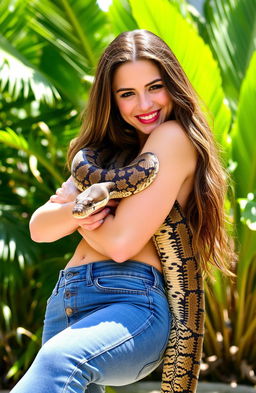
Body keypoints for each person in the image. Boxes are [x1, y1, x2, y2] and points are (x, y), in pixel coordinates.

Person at [10, 29, 234, 393]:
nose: (144, 104)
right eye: (127, 94)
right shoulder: (105, 159)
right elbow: (38, 228)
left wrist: (75, 206)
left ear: (173, 85)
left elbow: (119, 245)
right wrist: (84, 206)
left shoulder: (172, 138)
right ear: (112, 100)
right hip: (66, 302)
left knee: (57, 363)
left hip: (131, 304)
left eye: (155, 87)